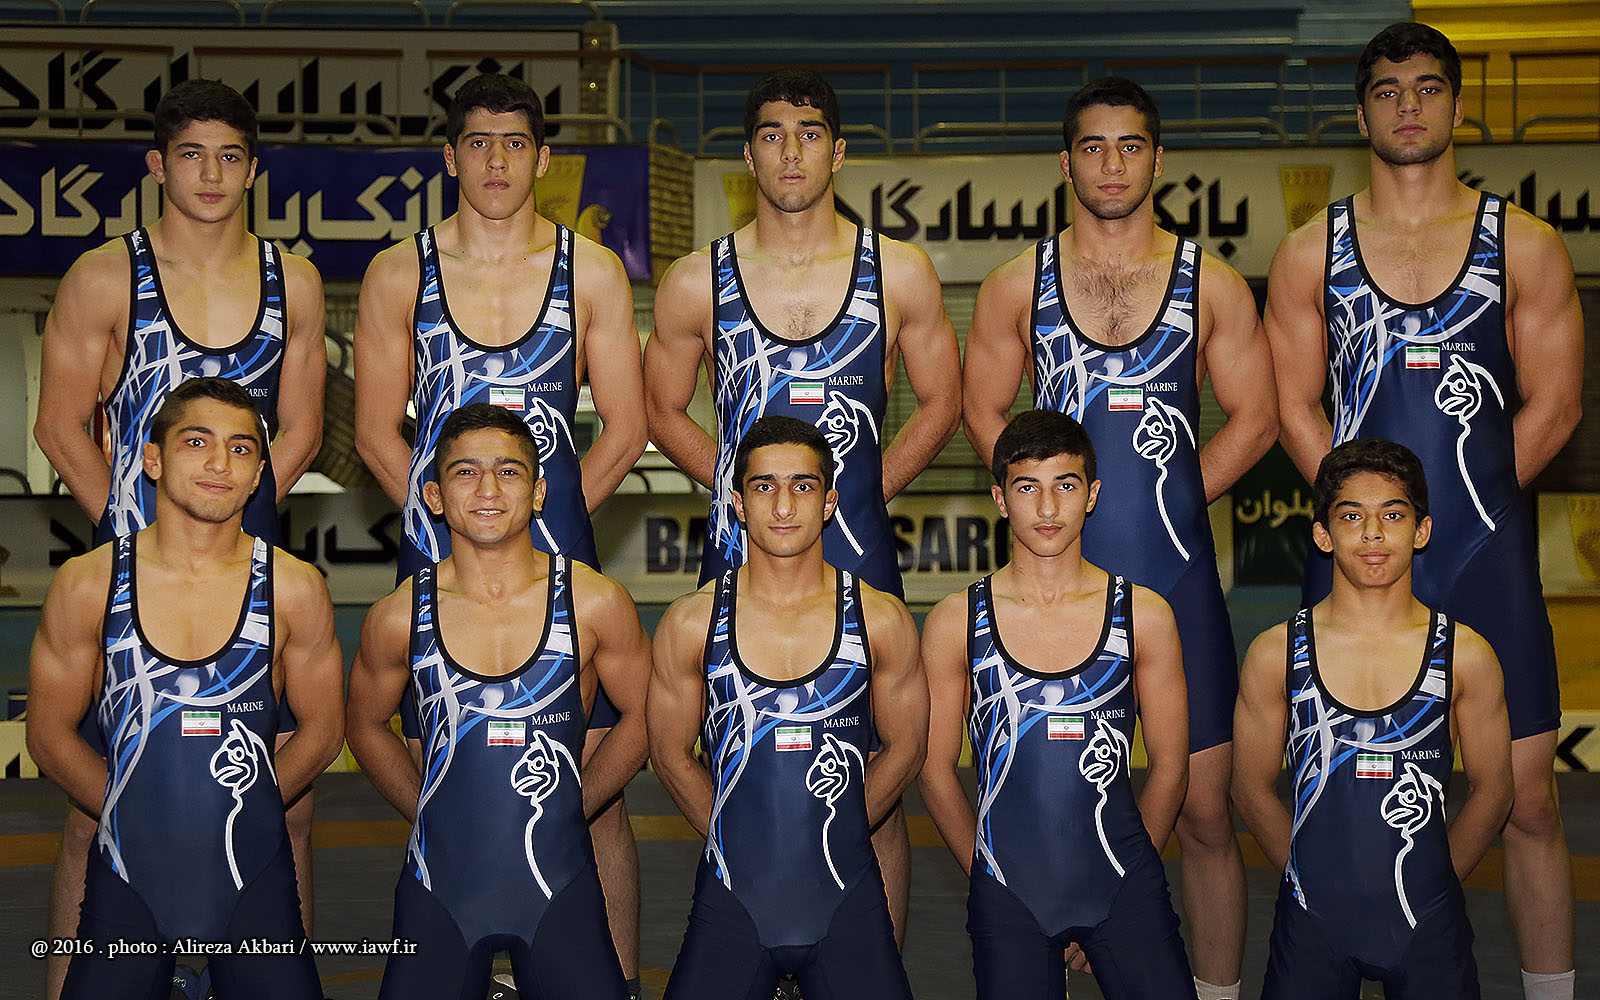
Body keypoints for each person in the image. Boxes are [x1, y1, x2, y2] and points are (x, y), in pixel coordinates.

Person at [1263, 23, 1583, 999]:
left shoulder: (1522, 242)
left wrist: (1463, 510)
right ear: (1360, 115)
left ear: (1457, 106)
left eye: (1428, 87)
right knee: (1333, 795)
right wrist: (1365, 522)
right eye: (1388, 90)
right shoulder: (1309, 252)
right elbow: (1291, 404)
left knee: (1527, 800)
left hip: (1482, 554)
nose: (1409, 105)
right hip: (1355, 564)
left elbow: (1556, 403)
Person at [961, 76, 1277, 999]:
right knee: (1048, 804)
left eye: (1130, 146)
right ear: (1065, 164)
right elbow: (982, 409)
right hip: (1056, 591)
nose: (1112, 164)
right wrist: (1045, 504)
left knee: (1208, 813)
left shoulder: (1211, 282)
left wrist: (1170, 499)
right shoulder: (1016, 284)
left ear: (1158, 159)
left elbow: (1257, 418)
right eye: (1093, 148)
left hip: (1175, 579)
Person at [645, 66, 959, 948]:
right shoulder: (695, 281)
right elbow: (660, 409)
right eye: (773, 135)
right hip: (738, 556)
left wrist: (855, 493)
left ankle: (870, 970)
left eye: (810, 133)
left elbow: (942, 401)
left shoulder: (898, 271)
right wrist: (742, 498)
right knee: (736, 761)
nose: (792, 151)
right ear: (748, 156)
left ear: (839, 151)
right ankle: (755, 947)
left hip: (859, 552)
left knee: (878, 773)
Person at [30, 78, 328, 999]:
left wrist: (231, 516)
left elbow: (302, 427)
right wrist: (133, 537)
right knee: (96, 808)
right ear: (158, 166)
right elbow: (59, 426)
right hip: (133, 568)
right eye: (192, 155)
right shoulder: (104, 276)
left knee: (289, 801)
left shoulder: (293, 280)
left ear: (253, 171)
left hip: (250, 566)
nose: (211, 174)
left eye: (230, 157)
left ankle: (270, 976)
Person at [354, 72, 649, 995]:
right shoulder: (400, 272)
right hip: (438, 546)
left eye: (514, 143)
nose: (495, 161)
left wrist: (541, 521)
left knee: (595, 783)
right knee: (447, 763)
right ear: (450, 158)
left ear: (543, 159)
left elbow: (627, 426)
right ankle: (467, 951)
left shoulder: (589, 270)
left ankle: (607, 978)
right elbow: (374, 431)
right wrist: (454, 527)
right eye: (477, 143)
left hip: (557, 543)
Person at [26, 377, 345, 999]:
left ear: (258, 475)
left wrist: (237, 813)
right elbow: (50, 736)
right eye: (197, 442)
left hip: (252, 869)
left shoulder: (296, 588)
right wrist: (141, 819)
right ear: (152, 459)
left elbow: (323, 730)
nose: (220, 463)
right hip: (130, 872)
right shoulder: (88, 584)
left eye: (241, 448)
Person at [346, 404, 650, 1000]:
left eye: (508, 472)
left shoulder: (595, 603)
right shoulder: (398, 616)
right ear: (433, 496)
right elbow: (364, 724)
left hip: (560, 886)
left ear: (538, 493)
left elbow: (646, 717)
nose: (488, 489)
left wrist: (576, 803)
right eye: (466, 472)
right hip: (440, 887)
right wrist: (425, 808)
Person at [648, 416, 927, 1000]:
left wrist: (837, 830)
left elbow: (906, 747)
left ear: (829, 502)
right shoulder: (691, 622)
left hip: (846, 898)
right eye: (764, 486)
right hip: (733, 898)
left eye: (802, 486)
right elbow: (670, 754)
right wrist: (734, 835)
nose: (782, 505)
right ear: (738, 502)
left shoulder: (881, 619)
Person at [920, 409, 1193, 1000]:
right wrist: (990, 879)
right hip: (1007, 890)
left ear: (1092, 495)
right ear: (1000, 499)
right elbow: (935, 772)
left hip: (1125, 884)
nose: (1047, 508)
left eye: (1065, 486)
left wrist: (1127, 877)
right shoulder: (955, 622)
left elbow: (1171, 766)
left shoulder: (1145, 615)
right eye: (1027, 488)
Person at [1232, 438, 1514, 999]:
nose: (1373, 534)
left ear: (1422, 530)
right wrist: (1306, 879)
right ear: (1322, 534)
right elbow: (1249, 787)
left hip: (1427, 924)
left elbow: (1495, 789)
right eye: (1351, 516)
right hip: (1312, 924)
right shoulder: (1275, 653)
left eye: (1392, 515)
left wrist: (1434, 882)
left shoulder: (1466, 655)